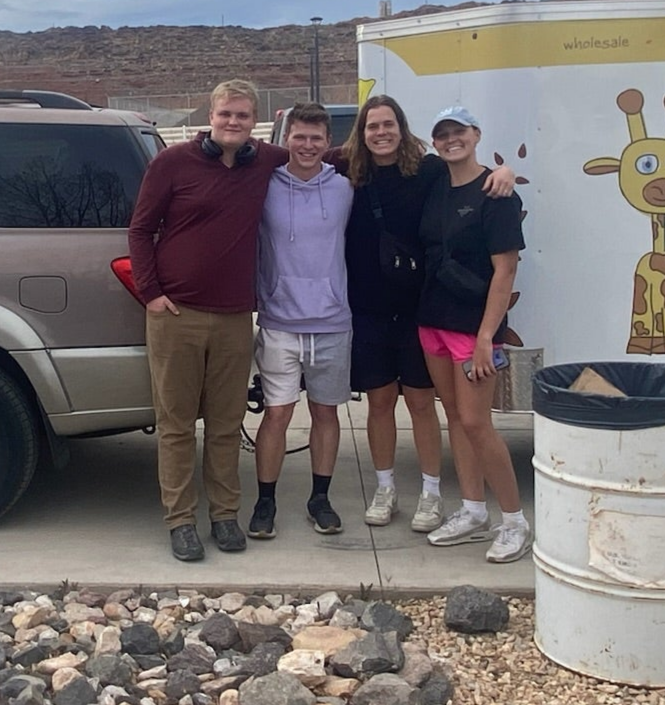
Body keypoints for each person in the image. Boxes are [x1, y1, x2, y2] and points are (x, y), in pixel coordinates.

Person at [338, 96, 515, 532]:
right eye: (371, 126)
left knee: (422, 404)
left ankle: (432, 493)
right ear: (361, 133)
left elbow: (471, 178)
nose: (380, 132)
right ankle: (385, 489)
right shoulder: (348, 172)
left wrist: (503, 171)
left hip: (420, 309)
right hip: (369, 310)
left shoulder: (429, 170)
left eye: (388, 124)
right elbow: (296, 155)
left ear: (403, 128)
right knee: (379, 404)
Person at [127, 79, 287, 562]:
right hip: (177, 316)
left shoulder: (264, 161)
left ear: (253, 120)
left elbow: (328, 156)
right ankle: (180, 521)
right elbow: (140, 230)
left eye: (242, 115)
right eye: (225, 115)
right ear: (211, 117)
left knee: (225, 423)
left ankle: (224, 515)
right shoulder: (172, 163)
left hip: (236, 317)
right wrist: (151, 294)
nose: (233, 122)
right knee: (176, 425)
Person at [416, 105, 531, 563]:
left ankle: (514, 520)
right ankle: (472, 510)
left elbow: (506, 271)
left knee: (479, 423)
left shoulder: (496, 194)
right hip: (433, 322)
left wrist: (488, 337)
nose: (450, 141)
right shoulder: (434, 180)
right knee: (457, 421)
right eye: (442, 134)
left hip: (473, 330)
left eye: (458, 132)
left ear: (476, 133)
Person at [247, 102, 354, 539]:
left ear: (328, 143)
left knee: (325, 413)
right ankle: (265, 501)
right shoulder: (265, 186)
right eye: (299, 137)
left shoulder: (346, 189)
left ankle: (320, 498)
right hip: (279, 321)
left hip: (332, 319)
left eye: (316, 138)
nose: (307, 145)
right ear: (286, 138)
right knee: (277, 415)